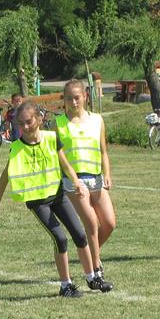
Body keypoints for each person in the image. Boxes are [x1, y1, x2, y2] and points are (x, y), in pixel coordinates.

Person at [0, 101, 112, 297]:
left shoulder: (52, 138)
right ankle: (65, 285)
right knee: (60, 238)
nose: (25, 127)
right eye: (21, 123)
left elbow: (65, 164)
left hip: (58, 195)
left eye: (29, 121)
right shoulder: (16, 148)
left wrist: (76, 182)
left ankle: (92, 277)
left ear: (39, 119)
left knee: (80, 235)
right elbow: (5, 176)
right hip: (38, 202)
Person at [54, 79, 115, 282]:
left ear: (85, 97)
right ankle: (96, 270)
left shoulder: (97, 120)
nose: (73, 102)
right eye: (68, 98)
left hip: (96, 179)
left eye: (77, 97)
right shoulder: (58, 123)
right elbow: (56, 156)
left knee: (109, 224)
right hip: (73, 182)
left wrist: (107, 173)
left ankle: (87, 253)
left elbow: (103, 151)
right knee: (91, 224)